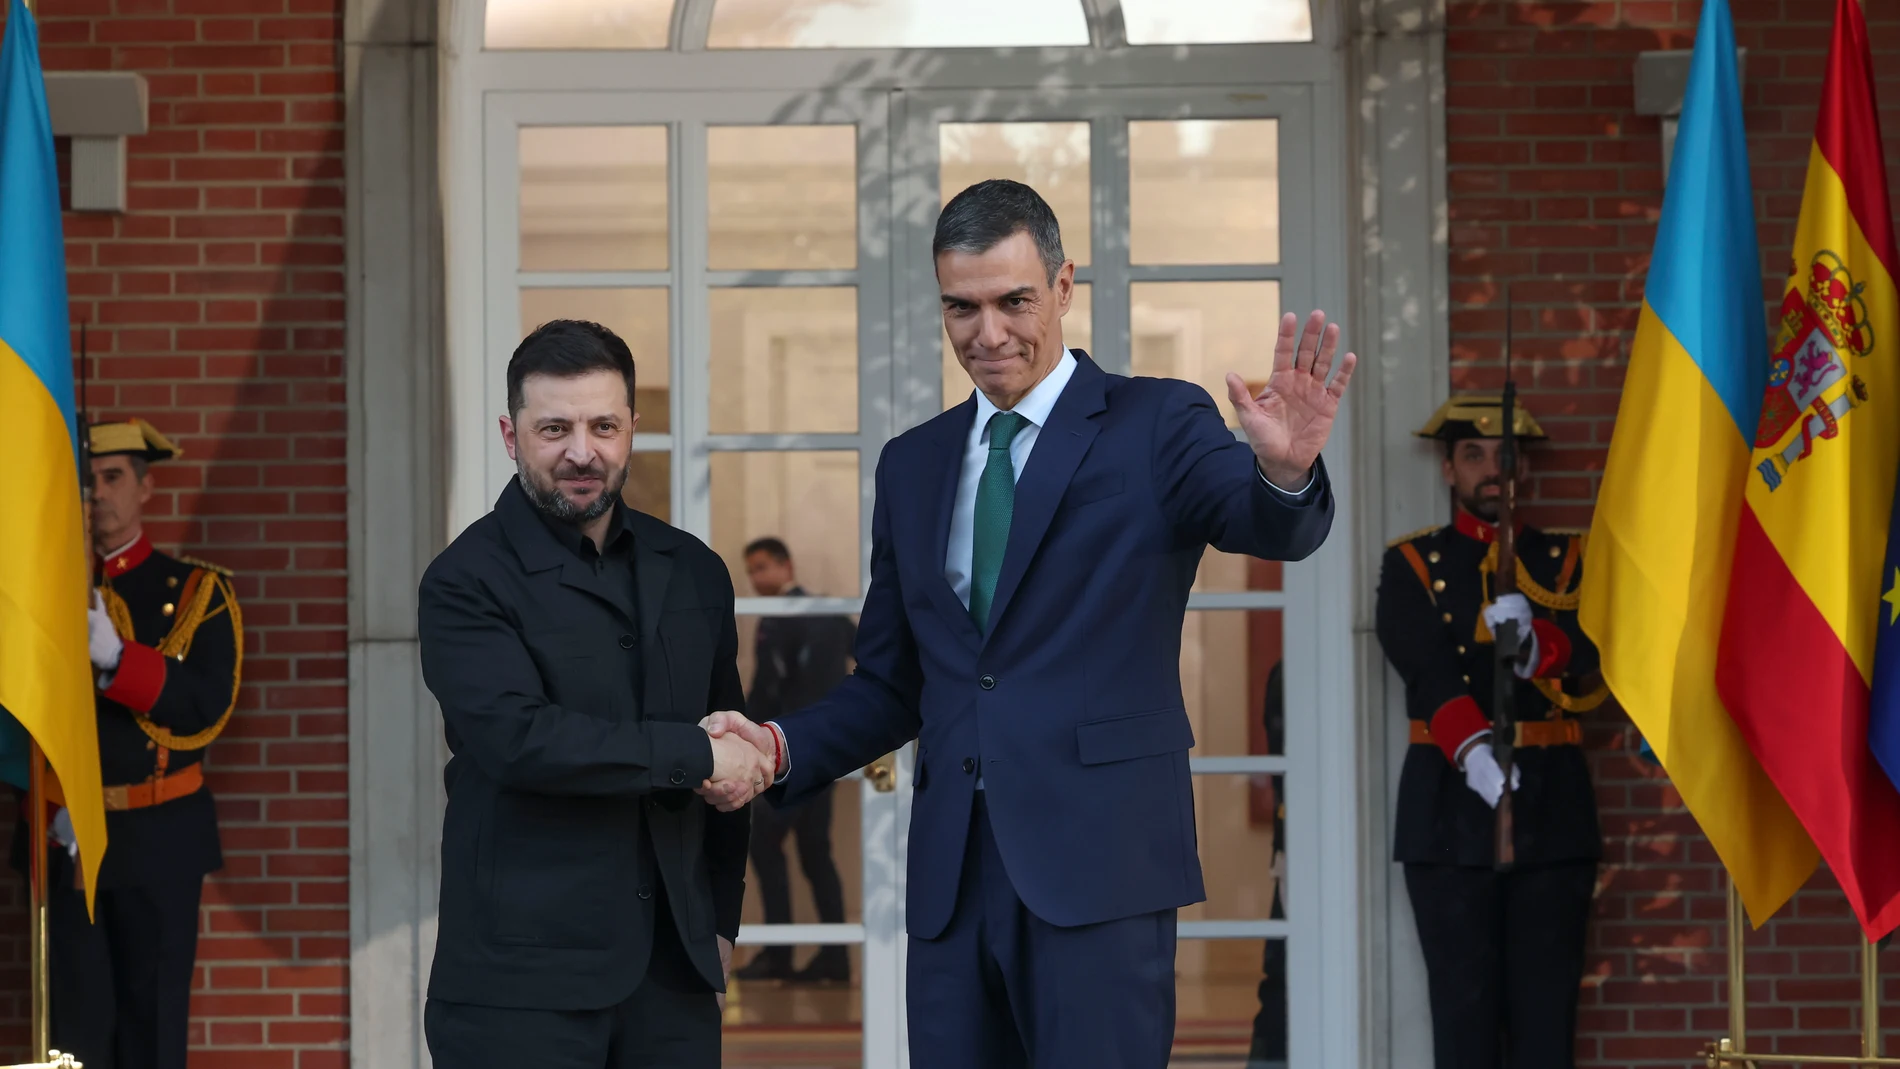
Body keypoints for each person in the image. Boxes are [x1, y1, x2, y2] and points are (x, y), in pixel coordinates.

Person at [700, 179, 1354, 1069]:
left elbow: (1266, 524)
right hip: (951, 885)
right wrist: (778, 744)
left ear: (1063, 286)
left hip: (1101, 869)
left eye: (1014, 301)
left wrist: (1283, 474)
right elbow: (894, 683)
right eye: (961, 307)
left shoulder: (1156, 421)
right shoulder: (914, 464)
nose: (989, 333)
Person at [417, 320, 776, 1069]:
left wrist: (720, 923)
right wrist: (694, 751)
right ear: (511, 436)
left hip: (673, 981)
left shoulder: (695, 570)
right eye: (555, 428)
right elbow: (522, 739)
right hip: (519, 993)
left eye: (603, 425)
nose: (583, 451)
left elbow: (728, 744)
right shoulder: (464, 581)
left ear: (632, 430)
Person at [1377, 395, 1610, 1069]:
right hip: (1450, 810)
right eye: (1473, 455)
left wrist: (1542, 647)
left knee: (1546, 1023)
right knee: (1463, 1022)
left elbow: (1600, 659)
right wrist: (1473, 748)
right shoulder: (1412, 563)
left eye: (1504, 455)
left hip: (1552, 809)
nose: (1490, 469)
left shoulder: (1564, 562)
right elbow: (1420, 664)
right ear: (1448, 468)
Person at [33, 418, 242, 1069]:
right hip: (70, 838)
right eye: (86, 479)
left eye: (113, 476)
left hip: (158, 837)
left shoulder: (196, 592)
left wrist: (120, 661)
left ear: (147, 487)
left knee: (153, 1033)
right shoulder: (35, 595)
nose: (98, 493)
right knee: (75, 1037)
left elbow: (206, 708)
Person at [733, 537, 856, 985]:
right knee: (814, 851)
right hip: (828, 751)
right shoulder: (832, 614)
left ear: (787, 565)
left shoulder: (784, 618)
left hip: (789, 752)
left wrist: (740, 732)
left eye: (763, 567)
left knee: (766, 843)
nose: (756, 578)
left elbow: (769, 687)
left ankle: (782, 954)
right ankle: (834, 959)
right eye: (752, 570)